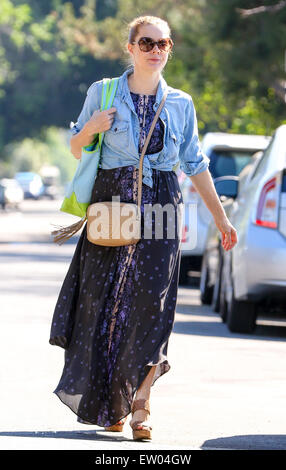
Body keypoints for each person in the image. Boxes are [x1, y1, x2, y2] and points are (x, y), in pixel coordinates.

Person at [49, 15, 237, 441]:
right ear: (130, 48)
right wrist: (92, 129)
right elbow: (77, 145)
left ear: (169, 49)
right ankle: (109, 403)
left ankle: (141, 404)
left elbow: (195, 164)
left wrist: (221, 217)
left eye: (164, 43)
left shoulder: (181, 103)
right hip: (111, 205)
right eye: (147, 42)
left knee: (152, 304)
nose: (156, 50)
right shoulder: (103, 92)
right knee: (105, 302)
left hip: (161, 208)